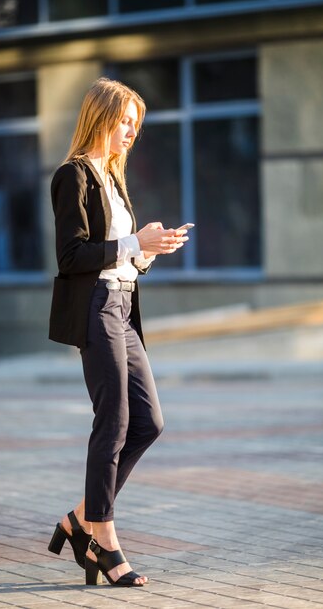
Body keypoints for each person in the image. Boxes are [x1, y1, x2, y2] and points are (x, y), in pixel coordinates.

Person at [47, 77, 189, 587]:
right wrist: (134, 240)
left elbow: (124, 258)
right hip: (97, 310)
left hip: (124, 308)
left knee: (148, 421)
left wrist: (150, 249)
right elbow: (71, 257)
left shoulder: (113, 177)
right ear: (101, 116)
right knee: (113, 422)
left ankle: (79, 518)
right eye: (126, 121)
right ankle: (104, 540)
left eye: (137, 124)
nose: (132, 131)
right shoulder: (74, 176)